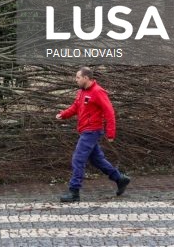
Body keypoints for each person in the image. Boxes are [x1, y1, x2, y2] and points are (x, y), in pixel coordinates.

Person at [56, 66, 131, 203]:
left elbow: (109, 112)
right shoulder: (81, 92)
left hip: (92, 131)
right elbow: (76, 107)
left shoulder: (98, 91)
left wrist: (111, 133)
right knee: (97, 160)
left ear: (86, 78)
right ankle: (120, 179)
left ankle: (74, 191)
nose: (76, 80)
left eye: (78, 77)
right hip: (85, 130)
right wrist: (64, 114)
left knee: (78, 159)